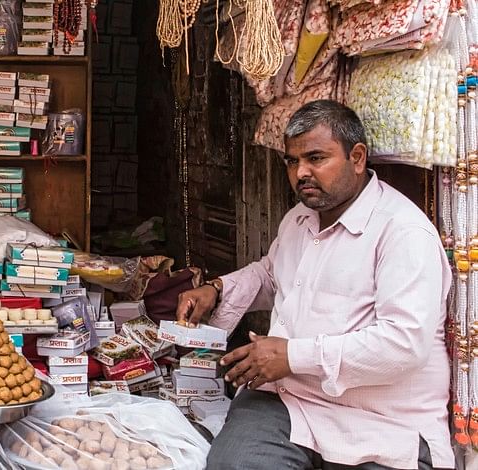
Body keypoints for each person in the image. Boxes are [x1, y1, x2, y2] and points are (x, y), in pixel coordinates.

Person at [176, 100, 453, 470]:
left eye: (316, 158)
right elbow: (274, 274)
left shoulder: (403, 232)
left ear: (357, 157)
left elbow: (404, 344)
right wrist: (217, 289)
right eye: (292, 161)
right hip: (290, 401)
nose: (301, 172)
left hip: (382, 421)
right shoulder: (300, 219)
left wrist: (291, 356)